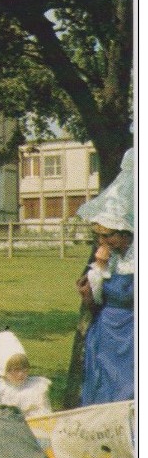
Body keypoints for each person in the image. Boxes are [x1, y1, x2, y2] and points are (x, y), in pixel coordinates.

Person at [75, 148, 134, 406]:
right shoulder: (109, 261)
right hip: (107, 329)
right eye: (99, 236)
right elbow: (96, 298)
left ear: (125, 234)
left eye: (108, 235)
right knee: (104, 384)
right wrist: (98, 269)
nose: (103, 241)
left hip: (133, 330)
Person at [0, 330, 51, 421]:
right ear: (4, 371)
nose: (21, 374)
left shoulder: (36, 388)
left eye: (24, 368)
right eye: (16, 370)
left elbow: (46, 415)